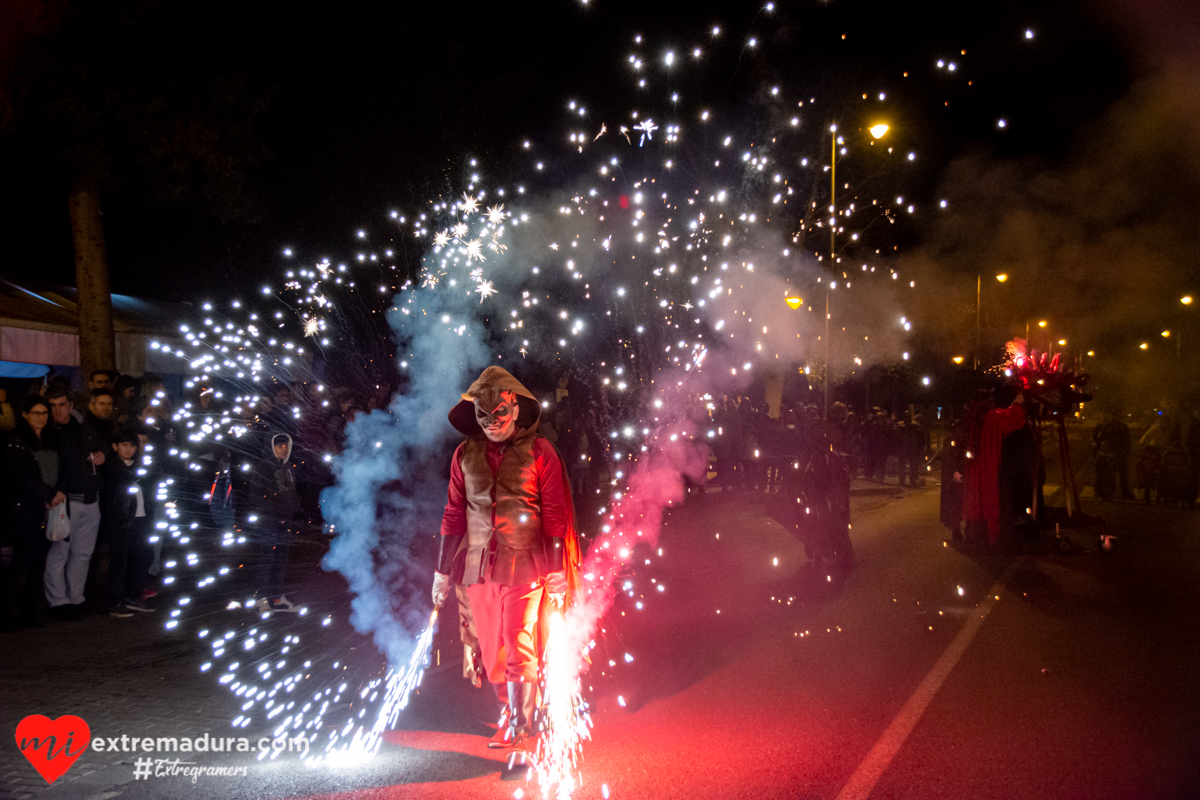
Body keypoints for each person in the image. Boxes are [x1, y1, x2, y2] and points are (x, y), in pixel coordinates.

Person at [432, 366, 580, 764]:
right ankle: (512, 712)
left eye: (499, 413)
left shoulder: (540, 451)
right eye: (484, 416)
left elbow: (554, 515)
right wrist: (441, 572)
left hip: (526, 564)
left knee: (517, 640)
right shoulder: (464, 454)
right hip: (477, 566)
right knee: (491, 645)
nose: (493, 423)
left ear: (514, 408)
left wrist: (555, 570)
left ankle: (520, 723)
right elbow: (453, 513)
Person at [1, 397, 66, 629]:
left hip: (45, 507)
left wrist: (53, 494)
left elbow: (56, 469)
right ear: (25, 414)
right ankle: (5, 613)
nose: (41, 417)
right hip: (25, 509)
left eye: (44, 413)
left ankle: (29, 612)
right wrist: (48, 494)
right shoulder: (16, 442)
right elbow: (20, 477)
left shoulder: (50, 439)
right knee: (21, 562)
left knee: (38, 561)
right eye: (36, 413)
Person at [43, 386, 106, 618]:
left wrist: (102, 454)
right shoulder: (51, 433)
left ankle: (76, 598)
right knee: (60, 552)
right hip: (67, 499)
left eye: (61, 404)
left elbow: (103, 445)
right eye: (53, 406)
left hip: (91, 498)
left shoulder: (82, 427)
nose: (57, 410)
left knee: (82, 553)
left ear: (70, 405)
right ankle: (58, 601)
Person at [245, 433, 302, 612]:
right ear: (271, 446)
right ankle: (261, 598)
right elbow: (254, 496)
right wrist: (274, 508)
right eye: (279, 446)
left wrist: (295, 505)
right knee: (268, 559)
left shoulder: (289, 469)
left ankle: (277, 598)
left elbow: (292, 492)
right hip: (269, 521)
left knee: (281, 560)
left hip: (285, 521)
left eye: (286, 446)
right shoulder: (262, 468)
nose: (284, 450)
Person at [101, 430, 155, 617]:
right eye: (124, 445)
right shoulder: (113, 468)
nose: (129, 449)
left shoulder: (138, 467)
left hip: (140, 519)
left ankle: (132, 596)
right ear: (115, 447)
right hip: (121, 521)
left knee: (142, 556)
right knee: (120, 561)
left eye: (132, 445)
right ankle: (115, 601)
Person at [962, 390, 1027, 546]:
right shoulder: (991, 417)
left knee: (975, 500)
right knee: (991, 500)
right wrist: (1017, 402)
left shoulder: (970, 418)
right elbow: (1011, 419)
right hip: (989, 467)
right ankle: (994, 538)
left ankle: (975, 535)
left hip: (974, 468)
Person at [1093, 412, 1133, 499]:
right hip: (1117, 453)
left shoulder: (1108, 427)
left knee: (1111, 474)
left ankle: (1111, 492)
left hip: (1112, 453)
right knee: (1119, 474)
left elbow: (1100, 440)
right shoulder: (1122, 426)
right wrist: (1127, 451)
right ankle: (1123, 493)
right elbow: (1127, 440)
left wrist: (1096, 451)